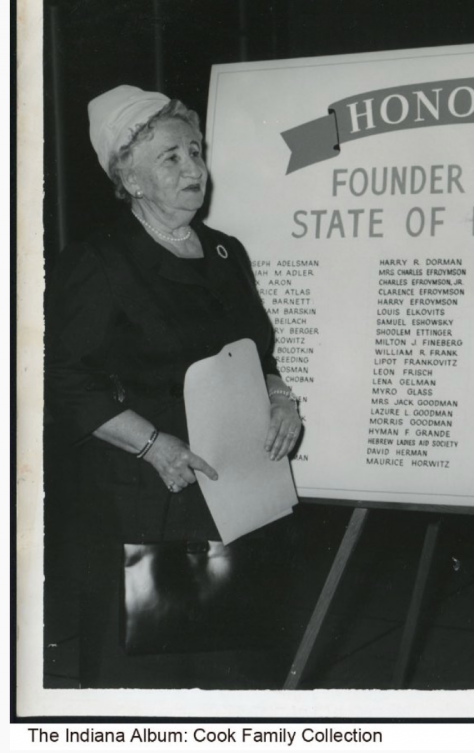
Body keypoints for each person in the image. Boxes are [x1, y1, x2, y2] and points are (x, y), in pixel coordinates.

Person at [46, 85, 303, 687]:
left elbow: (257, 352)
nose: (194, 168)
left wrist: (281, 398)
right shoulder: (99, 261)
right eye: (171, 158)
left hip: (235, 492)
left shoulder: (224, 250)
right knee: (148, 677)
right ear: (131, 180)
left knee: (234, 668)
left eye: (195, 151)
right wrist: (154, 444)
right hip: (145, 494)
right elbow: (59, 376)